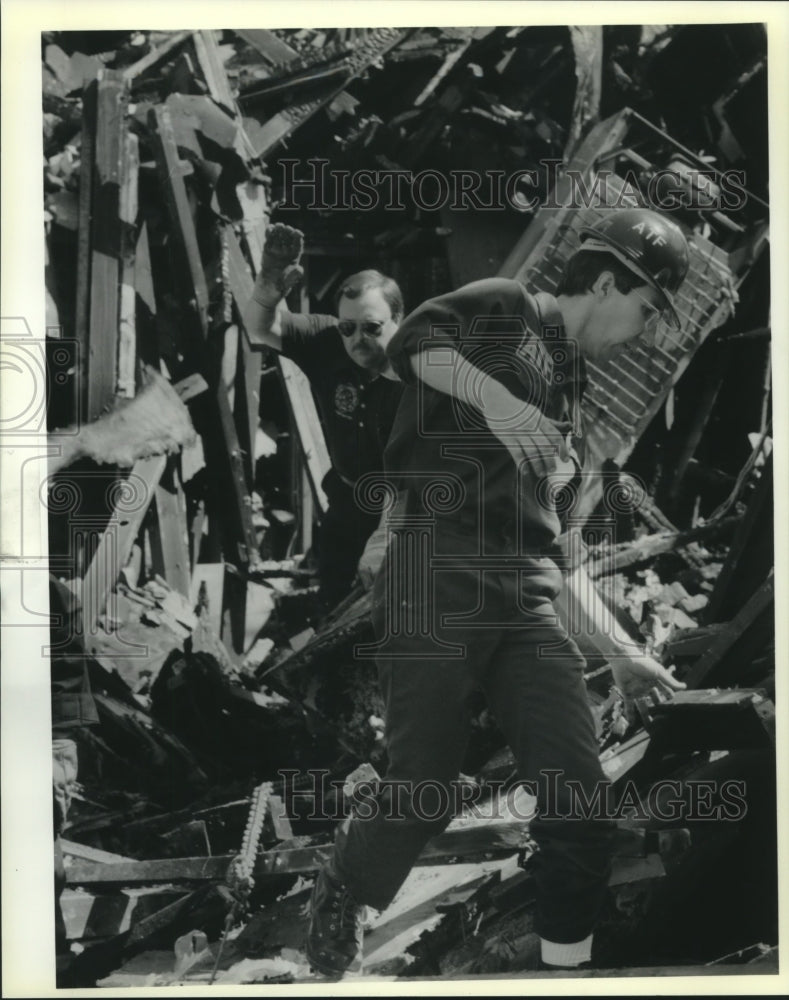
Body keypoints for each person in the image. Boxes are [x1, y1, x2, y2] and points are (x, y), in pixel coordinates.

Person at [304, 207, 691, 977]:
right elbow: (414, 339)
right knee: (423, 786)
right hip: (434, 576)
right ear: (607, 281)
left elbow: (560, 547)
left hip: (524, 603)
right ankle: (345, 887)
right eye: (646, 311)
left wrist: (618, 654)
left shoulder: (573, 396)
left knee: (579, 798)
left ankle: (562, 973)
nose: (644, 332)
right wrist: (501, 402)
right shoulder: (506, 308)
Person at [244, 225, 404, 609]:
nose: (357, 339)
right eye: (348, 327)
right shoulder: (328, 342)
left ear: (400, 320)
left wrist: (387, 536)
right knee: (332, 601)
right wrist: (269, 286)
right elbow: (260, 328)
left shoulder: (419, 369)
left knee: (392, 611)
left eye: (372, 328)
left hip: (406, 508)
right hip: (347, 501)